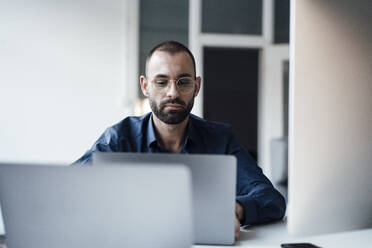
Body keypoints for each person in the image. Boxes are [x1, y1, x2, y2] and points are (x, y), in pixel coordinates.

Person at [75, 40, 286, 239]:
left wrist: (233, 209)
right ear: (145, 86)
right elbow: (70, 189)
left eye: (183, 82)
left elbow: (271, 200)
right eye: (161, 82)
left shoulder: (221, 139)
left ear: (196, 86)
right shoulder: (119, 139)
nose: (173, 92)